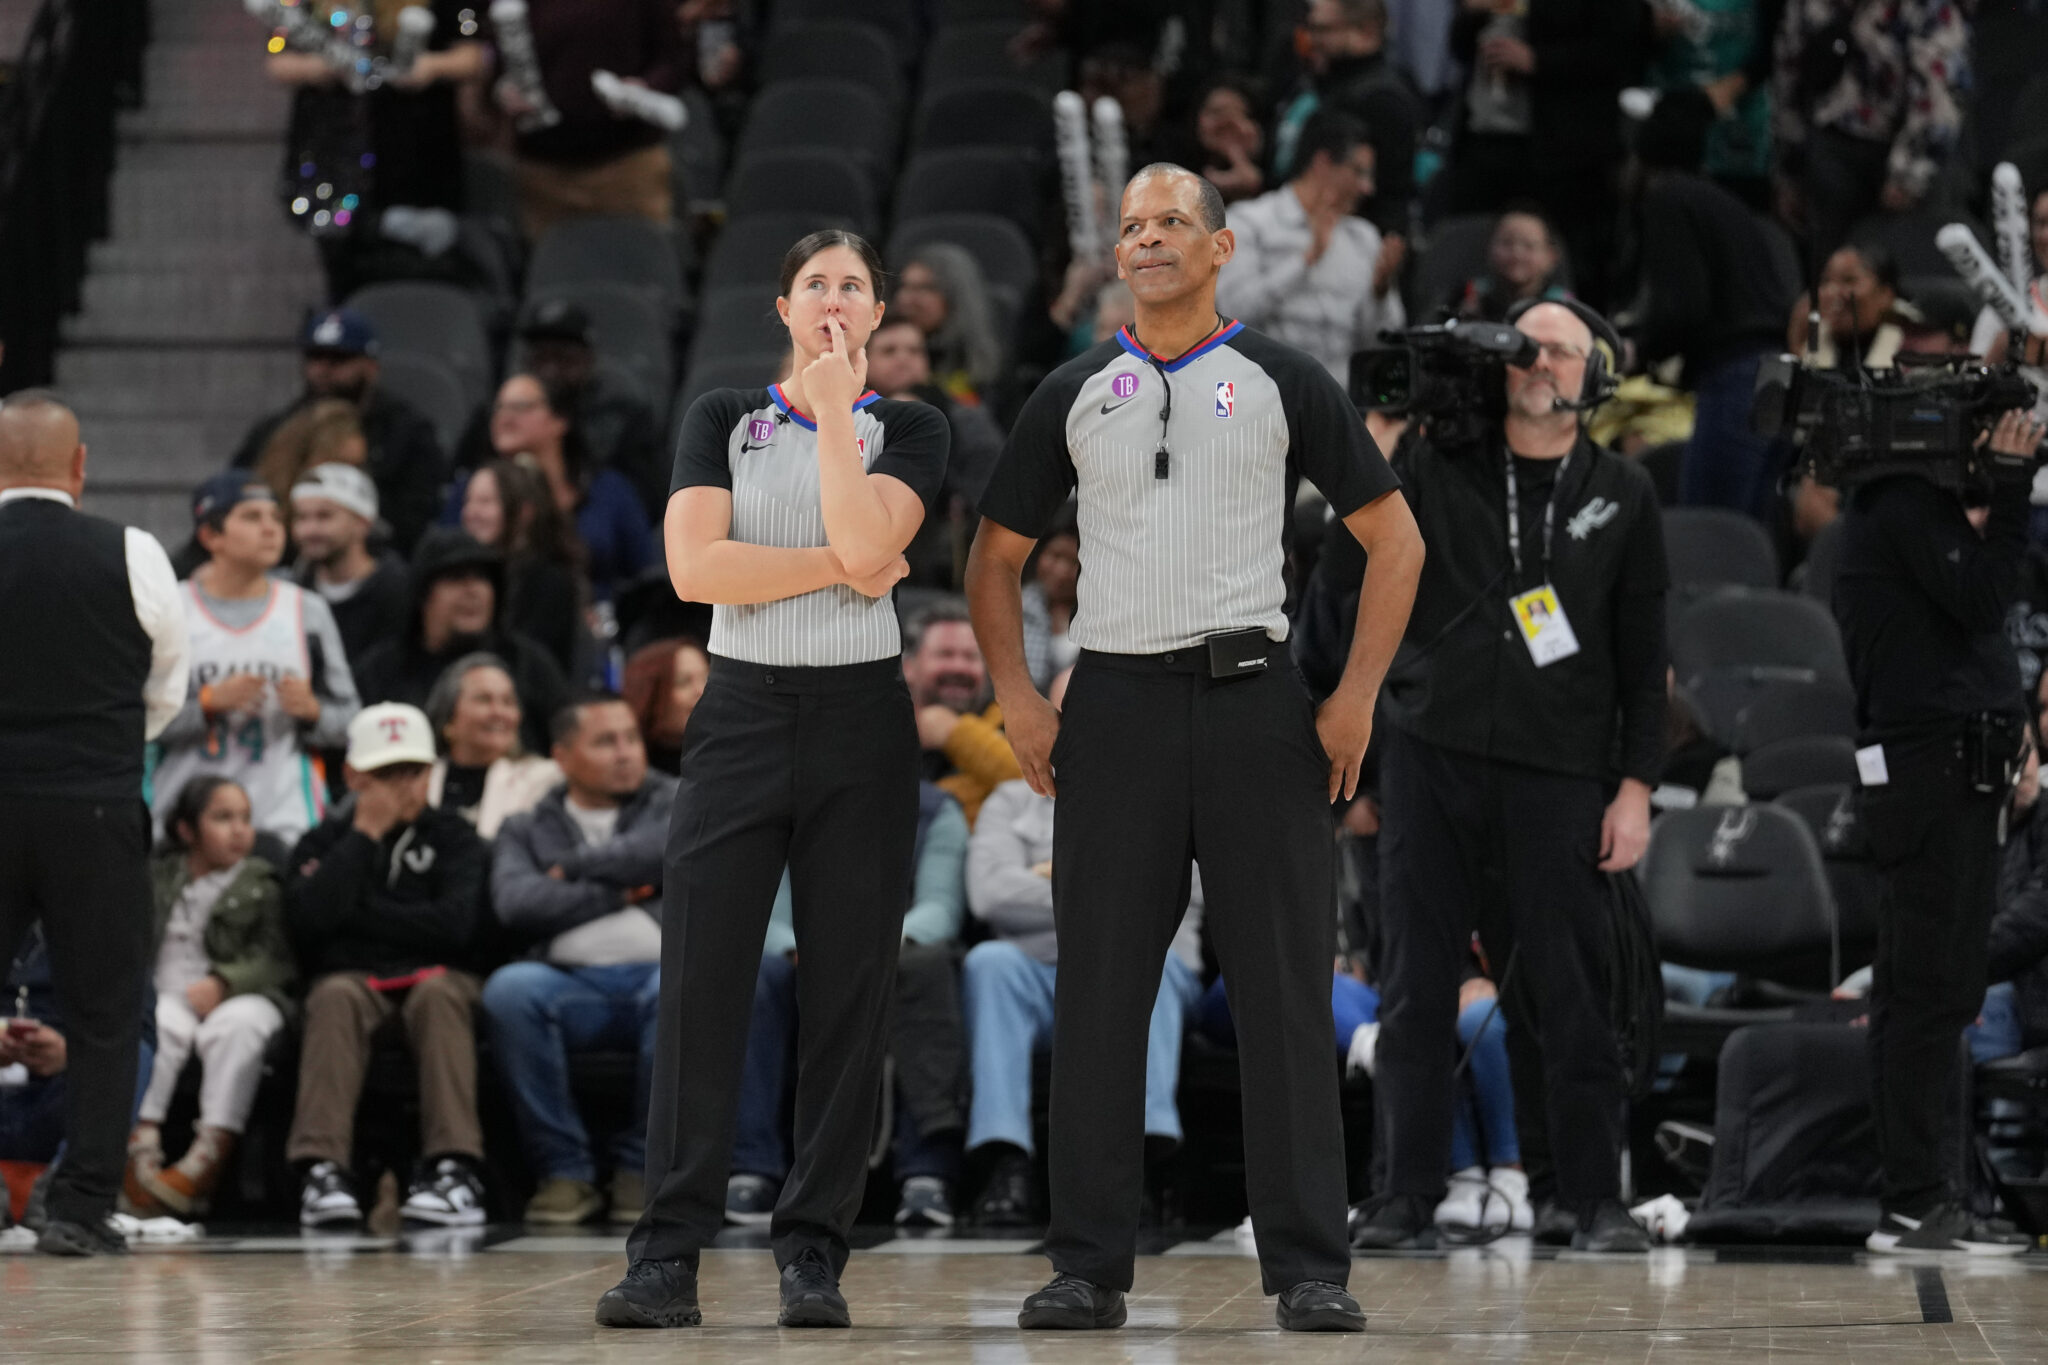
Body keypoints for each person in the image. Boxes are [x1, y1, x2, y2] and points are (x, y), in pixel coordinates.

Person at [965, 165, 1422, 1333]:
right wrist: (1016, 695)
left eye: (1171, 221)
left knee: (1281, 988)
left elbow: (1396, 542)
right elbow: (993, 557)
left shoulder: (1282, 377)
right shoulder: (1073, 388)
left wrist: (1353, 697)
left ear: (1220, 249)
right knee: (1100, 990)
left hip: (1253, 701)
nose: (1147, 238)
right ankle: (1085, 1266)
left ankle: (1309, 1267)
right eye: (1131, 225)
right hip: (1112, 704)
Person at [596, 229, 948, 1331]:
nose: (833, 300)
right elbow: (696, 569)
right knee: (703, 980)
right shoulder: (721, 417)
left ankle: (813, 1253)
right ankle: (667, 1254)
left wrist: (839, 413)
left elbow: (870, 531)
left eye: (853, 286)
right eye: (815, 285)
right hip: (741, 714)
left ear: (878, 311)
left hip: (862, 723)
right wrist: (846, 567)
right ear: (784, 308)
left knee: (849, 991)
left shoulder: (912, 427)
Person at [1354, 298, 1666, 1255]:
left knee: (1571, 991)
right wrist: (1383, 446)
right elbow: (1354, 571)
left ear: (1593, 373)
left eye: (1560, 351)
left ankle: (1587, 1196)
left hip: (1561, 772)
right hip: (1432, 756)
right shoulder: (1432, 461)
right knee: (1414, 984)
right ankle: (1404, 1193)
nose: (1539, 364)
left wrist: (1636, 787)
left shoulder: (1623, 491)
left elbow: (1643, 656)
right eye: (1524, 349)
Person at [1832, 404, 2046, 1255]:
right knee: (1929, 992)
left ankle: (1923, 1198)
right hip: (1934, 776)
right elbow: (1988, 595)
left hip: (1937, 772)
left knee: (1925, 990)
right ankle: (1920, 1201)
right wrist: (2014, 484)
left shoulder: (1893, 511)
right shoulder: (1901, 507)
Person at [0, 392, 189, 1256]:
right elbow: (165, 694)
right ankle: (78, 1206)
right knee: (107, 1011)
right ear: (80, 467)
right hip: (98, 805)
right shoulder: (135, 551)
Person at [963, 760, 1204, 1228]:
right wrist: (1113, 887)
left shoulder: (1172, 795)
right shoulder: (1011, 800)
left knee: (1151, 964)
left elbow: (1176, 897)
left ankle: (1140, 1162)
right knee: (990, 963)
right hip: (1042, 973)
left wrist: (1051, 877)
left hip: (1146, 966)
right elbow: (990, 895)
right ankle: (1007, 1161)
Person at [285, 702, 491, 1229]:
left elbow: (455, 927)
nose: (403, 787)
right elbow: (308, 925)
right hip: (356, 982)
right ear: (354, 776)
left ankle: (454, 1169)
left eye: (413, 771)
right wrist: (363, 837)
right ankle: (323, 1171)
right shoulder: (324, 842)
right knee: (334, 995)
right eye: (387, 774)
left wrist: (358, 915)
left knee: (438, 995)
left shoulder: (456, 838)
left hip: (439, 977)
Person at [731, 782, 971, 1228]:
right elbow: (770, 915)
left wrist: (871, 948)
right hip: (804, 955)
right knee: (757, 973)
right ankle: (752, 1167)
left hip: (897, 951)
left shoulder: (936, 810)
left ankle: (928, 1170)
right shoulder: (786, 803)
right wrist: (815, 950)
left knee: (928, 966)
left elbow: (941, 909)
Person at [484, 694, 675, 1225]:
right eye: (605, 741)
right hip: (568, 985)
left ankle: (642, 1170)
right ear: (562, 757)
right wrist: (621, 892)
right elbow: (518, 902)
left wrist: (571, 868)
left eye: (631, 738)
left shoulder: (674, 800)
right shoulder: (525, 827)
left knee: (682, 988)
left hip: (658, 976)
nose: (625, 752)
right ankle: (564, 1174)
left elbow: (662, 849)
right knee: (509, 990)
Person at [151, 474, 362, 845]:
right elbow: (141, 720)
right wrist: (207, 703)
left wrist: (313, 712)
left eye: (276, 518)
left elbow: (351, 721)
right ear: (210, 536)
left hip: (285, 819)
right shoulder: (172, 608)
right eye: (251, 517)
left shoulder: (307, 611)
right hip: (187, 819)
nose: (270, 529)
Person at [126, 777, 293, 1220]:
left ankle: (207, 1156)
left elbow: (277, 956)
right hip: (169, 991)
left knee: (234, 1029)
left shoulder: (262, 880)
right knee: (158, 1026)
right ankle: (140, 1150)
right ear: (187, 830)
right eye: (223, 818)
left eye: (245, 819)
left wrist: (226, 981)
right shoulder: (159, 876)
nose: (239, 830)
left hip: (241, 995)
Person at [1631, 88, 1798, 518]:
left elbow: (1684, 307)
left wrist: (1639, 351)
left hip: (1737, 373)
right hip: (1779, 373)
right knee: (1752, 528)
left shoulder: (1669, 198)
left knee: (1712, 526)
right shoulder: (1725, 203)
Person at [265, 0, 489, 300]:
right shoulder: (306, 6)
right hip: (335, 153)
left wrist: (431, 67)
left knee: (423, 267)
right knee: (345, 270)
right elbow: (278, 61)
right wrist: (328, 65)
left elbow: (477, 56)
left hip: (416, 149)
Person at [1448, 0, 1645, 308]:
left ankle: (1567, 329)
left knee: (1569, 258)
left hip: (1564, 152)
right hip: (1485, 139)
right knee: (1478, 248)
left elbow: (1619, 50)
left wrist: (1537, 60)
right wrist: (1473, 14)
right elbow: (1459, 50)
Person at [231, 309, 444, 556]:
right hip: (282, 558)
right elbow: (238, 491)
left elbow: (416, 518)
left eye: (339, 359)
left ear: (371, 367)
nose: (324, 369)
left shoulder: (407, 432)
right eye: (315, 357)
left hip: (378, 558)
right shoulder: (277, 428)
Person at [1217, 108, 1407, 384]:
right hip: (1268, 387)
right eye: (1359, 172)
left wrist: (1380, 292)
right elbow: (1231, 314)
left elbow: (1383, 344)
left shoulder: (1363, 237)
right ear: (1322, 163)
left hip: (1342, 395)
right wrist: (1305, 261)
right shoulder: (1249, 223)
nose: (1367, 188)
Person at [1771, 0, 1970, 260]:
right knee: (1834, 262)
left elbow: (1939, 97)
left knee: (1908, 261)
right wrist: (1788, 172)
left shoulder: (1928, 7)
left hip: (1908, 149)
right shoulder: (1809, 5)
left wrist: (1909, 175)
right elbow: (1788, 79)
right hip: (1832, 145)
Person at [352, 527, 572, 757]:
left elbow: (569, 743)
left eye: (482, 578)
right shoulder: (381, 671)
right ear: (423, 594)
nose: (472, 590)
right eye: (456, 578)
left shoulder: (528, 663)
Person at [457, 299, 669, 524]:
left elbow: (649, 505)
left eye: (563, 358)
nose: (550, 370)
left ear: (588, 360)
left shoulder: (622, 421)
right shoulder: (494, 419)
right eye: (540, 357)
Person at [499, 0, 688, 240]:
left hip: (628, 164)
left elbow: (675, 57)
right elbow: (486, 45)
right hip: (544, 171)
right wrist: (501, 89)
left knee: (640, 256)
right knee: (554, 260)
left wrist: (646, 88)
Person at [469, 373, 654, 608]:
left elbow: (646, 574)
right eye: (499, 408)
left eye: (520, 406)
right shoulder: (471, 492)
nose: (504, 417)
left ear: (560, 420)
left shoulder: (609, 489)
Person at [1271, 0, 1422, 276]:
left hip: (1348, 258)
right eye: (1309, 29)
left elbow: (1390, 197)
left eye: (1322, 30)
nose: (1311, 40)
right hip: (1304, 237)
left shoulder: (1383, 99)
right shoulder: (1320, 85)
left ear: (1366, 31)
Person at [865, 315, 1007, 588]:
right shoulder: (844, 418)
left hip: (945, 569)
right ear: (864, 361)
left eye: (914, 351)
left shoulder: (967, 418)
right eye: (889, 351)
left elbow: (989, 496)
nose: (903, 359)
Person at [459, 457, 585, 676]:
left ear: (524, 511)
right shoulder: (462, 577)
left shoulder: (549, 582)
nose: (471, 512)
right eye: (468, 501)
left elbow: (533, 666)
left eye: (485, 502)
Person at [902, 599, 1021, 829]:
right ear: (909, 667)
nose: (959, 667)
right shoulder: (882, 725)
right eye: (945, 654)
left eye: (970, 657)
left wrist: (956, 733)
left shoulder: (1013, 721)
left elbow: (1037, 785)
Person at [424, 653, 562, 837]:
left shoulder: (547, 779)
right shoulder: (418, 776)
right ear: (448, 717)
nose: (499, 712)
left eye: (508, 702)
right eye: (484, 699)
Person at [290, 463, 411, 673]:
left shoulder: (401, 593)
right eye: (302, 517)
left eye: (324, 516)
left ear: (362, 524)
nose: (309, 530)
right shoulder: (292, 591)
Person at [894, 246, 1007, 409]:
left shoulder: (988, 361)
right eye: (904, 286)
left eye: (925, 288)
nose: (906, 299)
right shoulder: (884, 350)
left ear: (957, 296)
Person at [1787, 241, 1914, 370]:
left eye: (1849, 280)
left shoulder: (1917, 348)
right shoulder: (1812, 344)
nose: (1831, 292)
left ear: (1885, 294)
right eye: (1826, 281)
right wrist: (1797, 347)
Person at [1444, 207, 1572, 322]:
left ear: (1551, 256)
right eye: (1506, 243)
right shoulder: (1469, 296)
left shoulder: (1563, 307)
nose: (1517, 254)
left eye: (1529, 246)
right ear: (1489, 248)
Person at [252, 399, 369, 510]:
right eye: (337, 463)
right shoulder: (265, 513)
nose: (349, 476)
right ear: (301, 461)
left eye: (357, 466)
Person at [620, 636, 708, 776]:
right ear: (650, 694)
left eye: (707, 679)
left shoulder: (727, 755)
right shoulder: (627, 769)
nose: (701, 691)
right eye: (683, 682)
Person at [1020, 511, 1081, 694]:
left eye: (1074, 562)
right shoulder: (1016, 606)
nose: (1061, 571)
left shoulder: (1101, 615)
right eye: (1055, 556)